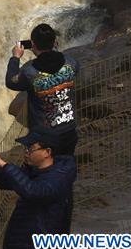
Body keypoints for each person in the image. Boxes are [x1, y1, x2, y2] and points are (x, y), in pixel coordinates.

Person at [0, 130, 77, 249]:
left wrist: (5, 166)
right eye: (25, 148)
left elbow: (34, 192)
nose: (26, 152)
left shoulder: (58, 177)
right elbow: (7, 182)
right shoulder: (34, 171)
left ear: (47, 152)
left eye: (31, 149)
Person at [6, 24, 79, 155]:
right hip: (69, 129)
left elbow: (11, 81)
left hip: (44, 136)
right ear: (55, 42)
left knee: (44, 171)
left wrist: (15, 58)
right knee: (66, 165)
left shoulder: (30, 72)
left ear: (32, 44)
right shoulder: (71, 63)